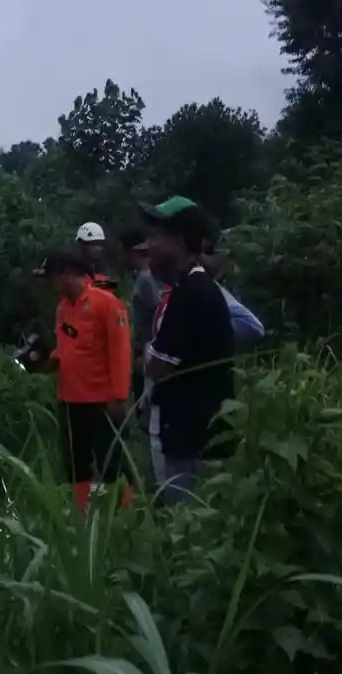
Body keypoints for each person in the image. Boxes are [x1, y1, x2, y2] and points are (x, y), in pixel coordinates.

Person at [141, 197, 236, 506]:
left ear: (179, 242)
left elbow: (157, 365)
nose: (150, 245)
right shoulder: (195, 287)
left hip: (190, 436)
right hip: (199, 432)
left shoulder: (190, 294)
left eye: (157, 237)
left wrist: (148, 352)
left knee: (185, 518)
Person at [29, 250, 135, 513]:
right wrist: (48, 360)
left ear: (66, 274)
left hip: (101, 400)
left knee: (111, 460)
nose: (49, 285)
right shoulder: (63, 309)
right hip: (70, 398)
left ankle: (124, 513)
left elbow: (120, 351)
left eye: (51, 278)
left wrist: (119, 396)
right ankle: (82, 513)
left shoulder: (106, 303)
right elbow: (69, 344)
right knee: (76, 461)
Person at [118, 228, 163, 405]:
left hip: (149, 349)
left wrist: (145, 351)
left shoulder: (146, 279)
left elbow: (156, 313)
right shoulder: (146, 275)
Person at [76, 222, 117, 292]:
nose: (97, 248)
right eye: (92, 244)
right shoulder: (73, 269)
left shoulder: (101, 267)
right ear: (82, 244)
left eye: (100, 244)